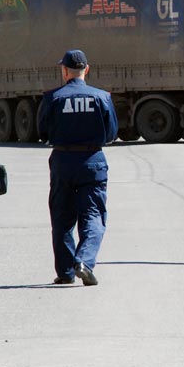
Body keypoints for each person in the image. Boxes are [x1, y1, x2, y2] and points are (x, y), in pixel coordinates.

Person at [38, 49, 118, 287]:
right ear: (87, 69)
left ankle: (65, 271)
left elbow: (42, 132)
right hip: (93, 161)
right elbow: (112, 133)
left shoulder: (52, 97)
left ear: (64, 71)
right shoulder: (102, 97)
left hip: (63, 161)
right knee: (93, 215)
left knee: (61, 217)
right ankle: (84, 261)